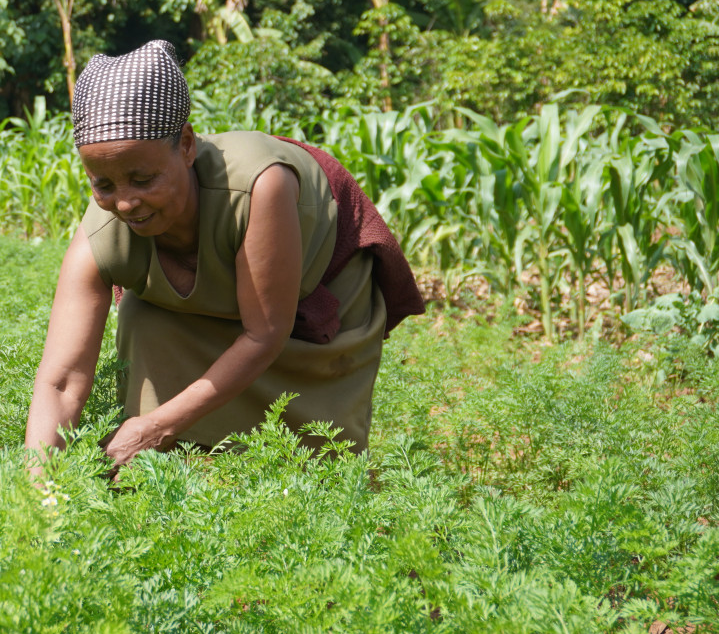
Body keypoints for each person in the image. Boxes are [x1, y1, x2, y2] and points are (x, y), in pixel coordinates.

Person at [24, 40, 423, 473]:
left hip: (309, 298)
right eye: (104, 185)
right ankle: (175, 490)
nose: (125, 203)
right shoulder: (102, 235)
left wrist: (154, 427)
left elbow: (265, 332)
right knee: (144, 319)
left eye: (143, 179)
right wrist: (38, 487)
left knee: (315, 472)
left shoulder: (258, 188)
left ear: (187, 144)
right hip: (207, 313)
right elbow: (61, 383)